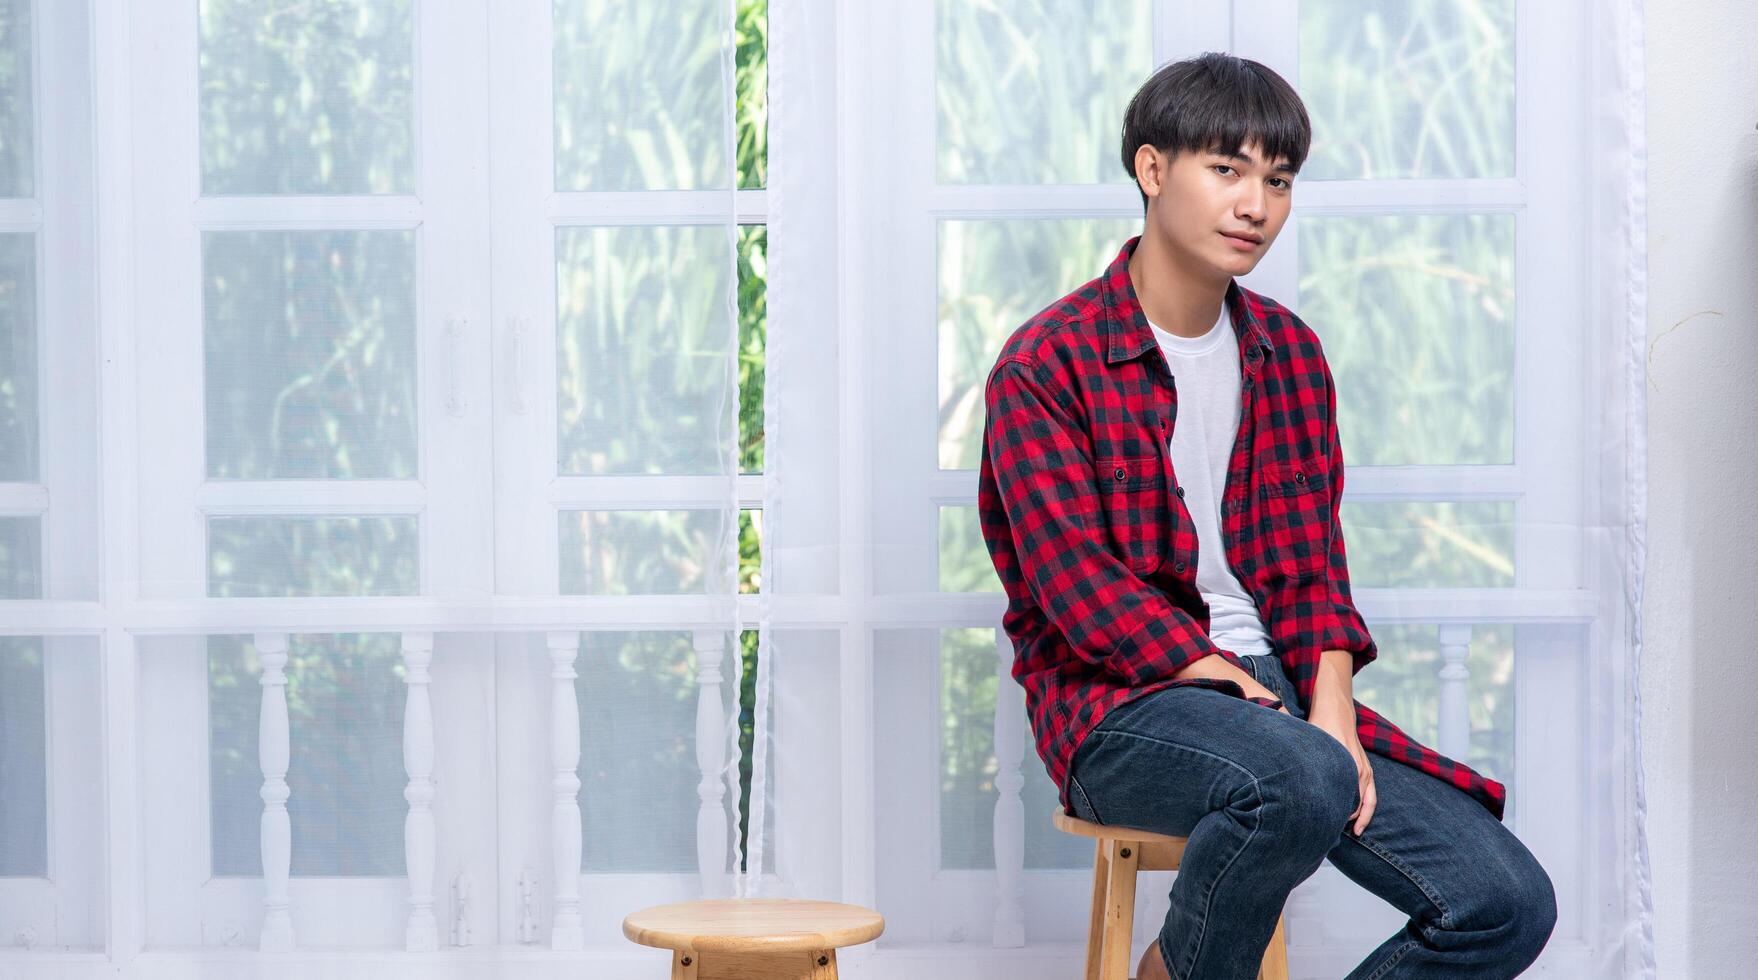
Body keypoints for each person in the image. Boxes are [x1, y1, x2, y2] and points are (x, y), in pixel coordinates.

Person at [975, 52, 1556, 980]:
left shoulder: (1288, 353)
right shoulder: (1048, 363)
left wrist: (1328, 709)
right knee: (1300, 774)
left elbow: (1313, 564)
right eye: (1227, 170)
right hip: (1122, 704)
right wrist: (1224, 682)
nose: (1256, 204)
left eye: (1278, 180)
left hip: (1285, 693)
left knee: (1505, 902)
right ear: (1153, 170)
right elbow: (1073, 584)